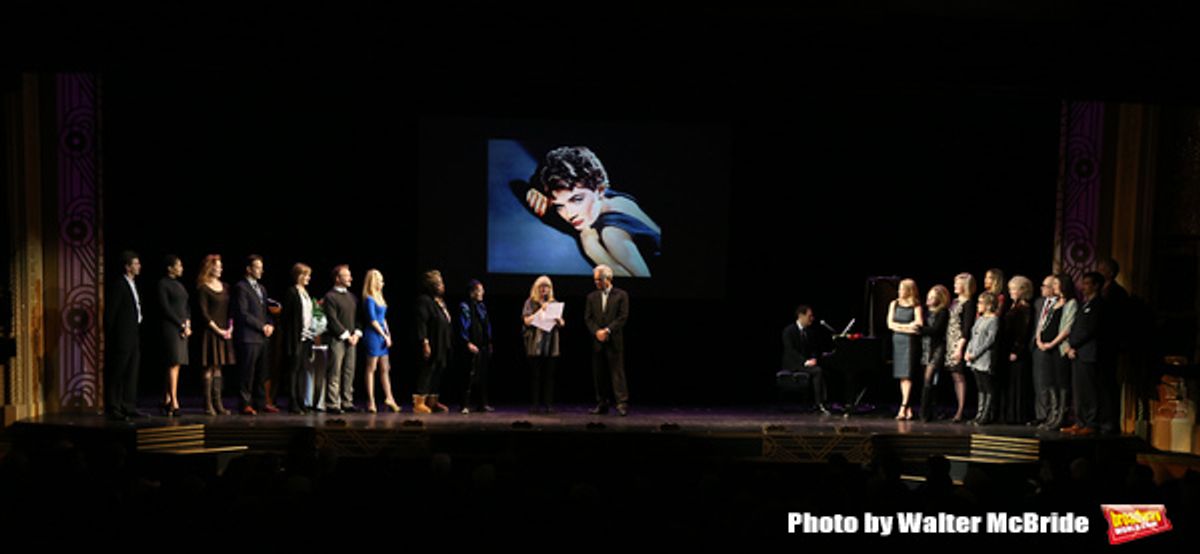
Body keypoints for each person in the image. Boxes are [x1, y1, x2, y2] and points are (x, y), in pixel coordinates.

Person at [519, 146, 661, 277]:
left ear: (600, 190)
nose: (569, 214)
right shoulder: (612, 198)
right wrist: (536, 189)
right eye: (559, 206)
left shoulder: (611, 234)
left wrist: (592, 249)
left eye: (577, 199)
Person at [1062, 272, 1109, 436]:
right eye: (1083, 283)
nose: (1084, 287)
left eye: (1088, 283)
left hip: (1089, 353)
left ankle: (1091, 422)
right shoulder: (1084, 304)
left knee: (1089, 390)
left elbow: (1089, 330)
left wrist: (1073, 344)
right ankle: (1080, 421)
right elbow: (1076, 327)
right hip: (1078, 353)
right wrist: (1069, 346)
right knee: (1079, 390)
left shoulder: (1098, 305)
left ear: (1096, 286)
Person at [232, 255, 277, 415]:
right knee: (247, 373)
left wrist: (270, 324)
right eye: (257, 267)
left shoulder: (262, 288)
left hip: (262, 337)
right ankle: (245, 403)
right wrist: (261, 326)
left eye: (261, 267)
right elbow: (243, 313)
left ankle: (261, 402)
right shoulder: (241, 287)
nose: (260, 271)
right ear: (249, 269)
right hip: (249, 337)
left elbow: (266, 311)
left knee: (261, 372)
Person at [104, 250, 146, 420]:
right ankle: (114, 407)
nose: (139, 266)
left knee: (132, 372)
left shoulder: (132, 284)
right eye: (136, 263)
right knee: (118, 372)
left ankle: (128, 406)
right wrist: (112, 336)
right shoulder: (119, 285)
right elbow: (110, 313)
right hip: (121, 337)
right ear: (128, 267)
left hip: (133, 334)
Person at [585, 264, 630, 416]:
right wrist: (597, 331)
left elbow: (622, 317)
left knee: (617, 373)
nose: (596, 282)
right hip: (597, 341)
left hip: (614, 340)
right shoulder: (591, 297)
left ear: (608, 279)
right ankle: (602, 403)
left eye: (599, 280)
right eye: (595, 280)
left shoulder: (621, 295)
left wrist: (607, 330)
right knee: (599, 374)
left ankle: (621, 403)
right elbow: (588, 318)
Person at [1035, 273, 1077, 430]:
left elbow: (1067, 328)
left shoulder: (1071, 303)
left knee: (1062, 382)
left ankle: (1061, 416)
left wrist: (1052, 343)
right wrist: (1039, 340)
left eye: (1056, 284)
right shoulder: (1055, 303)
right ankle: (1053, 415)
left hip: (1059, 348)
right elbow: (1044, 323)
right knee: (1051, 382)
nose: (1053, 287)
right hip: (1047, 348)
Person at [196, 254, 234, 415]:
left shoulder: (225, 286)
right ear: (209, 268)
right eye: (217, 266)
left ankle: (218, 403)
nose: (220, 269)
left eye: (221, 266)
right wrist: (218, 330)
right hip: (210, 332)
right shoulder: (203, 288)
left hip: (225, 331)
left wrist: (230, 328)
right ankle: (208, 404)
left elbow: (231, 310)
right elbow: (204, 314)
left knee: (219, 367)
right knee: (209, 367)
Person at [523, 275, 565, 414]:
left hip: (551, 343)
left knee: (549, 376)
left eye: (546, 287)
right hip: (535, 342)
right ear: (536, 288)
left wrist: (559, 320)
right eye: (541, 287)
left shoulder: (554, 303)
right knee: (535, 375)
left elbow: (562, 323)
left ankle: (548, 404)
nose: (544, 289)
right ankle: (535, 404)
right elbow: (526, 321)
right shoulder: (530, 302)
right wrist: (541, 310)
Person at [323, 265, 362, 414]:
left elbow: (358, 318)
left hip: (352, 340)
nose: (350, 278)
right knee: (335, 371)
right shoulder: (330, 297)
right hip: (337, 339)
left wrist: (356, 334)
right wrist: (346, 335)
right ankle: (333, 403)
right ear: (337, 278)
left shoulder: (352, 297)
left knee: (349, 371)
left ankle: (347, 402)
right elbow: (332, 320)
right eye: (346, 276)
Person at [780, 304, 831, 415]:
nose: (812, 318)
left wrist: (813, 358)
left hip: (805, 363)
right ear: (801, 316)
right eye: (809, 316)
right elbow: (790, 351)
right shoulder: (789, 331)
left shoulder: (809, 332)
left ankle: (823, 401)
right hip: (793, 363)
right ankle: (819, 403)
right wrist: (804, 361)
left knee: (823, 368)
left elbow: (813, 349)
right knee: (817, 371)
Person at [156, 255, 190, 417]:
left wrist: (188, 323)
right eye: (179, 265)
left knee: (177, 364)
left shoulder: (180, 285)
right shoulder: (163, 284)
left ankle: (167, 399)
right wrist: (181, 324)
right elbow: (165, 308)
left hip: (182, 328)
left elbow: (186, 306)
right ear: (170, 268)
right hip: (171, 328)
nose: (181, 268)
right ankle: (174, 402)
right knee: (173, 363)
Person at [414, 269, 452, 414]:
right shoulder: (424, 301)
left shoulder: (439, 302)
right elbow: (422, 322)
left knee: (438, 370)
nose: (442, 286)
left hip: (442, 343)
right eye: (439, 284)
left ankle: (432, 401)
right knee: (427, 371)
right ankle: (419, 402)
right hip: (432, 341)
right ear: (432, 286)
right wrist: (425, 342)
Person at [362, 269, 400, 413]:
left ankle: (390, 397)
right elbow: (373, 320)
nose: (382, 283)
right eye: (380, 280)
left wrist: (388, 334)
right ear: (374, 282)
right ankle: (371, 401)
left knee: (385, 368)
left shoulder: (380, 298)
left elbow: (383, 319)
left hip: (382, 335)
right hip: (373, 335)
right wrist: (383, 335)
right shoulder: (369, 299)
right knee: (371, 368)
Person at [280, 263, 316, 414]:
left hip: (306, 337)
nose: (308, 278)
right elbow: (285, 317)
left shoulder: (305, 293)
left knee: (302, 370)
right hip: (295, 338)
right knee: (293, 370)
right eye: (306, 275)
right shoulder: (292, 292)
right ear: (299, 276)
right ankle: (293, 401)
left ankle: (301, 400)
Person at [456, 279, 494, 414]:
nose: (482, 292)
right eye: (479, 290)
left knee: (482, 375)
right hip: (471, 344)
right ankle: (464, 405)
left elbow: (486, 325)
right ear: (472, 292)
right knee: (468, 376)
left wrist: (489, 342)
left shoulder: (482, 306)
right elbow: (463, 326)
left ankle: (482, 404)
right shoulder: (465, 306)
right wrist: (467, 343)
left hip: (482, 345)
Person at [944, 273, 977, 423]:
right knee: (954, 376)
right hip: (950, 342)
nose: (955, 286)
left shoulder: (968, 304)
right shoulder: (955, 301)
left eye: (957, 283)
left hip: (959, 343)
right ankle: (957, 407)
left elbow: (966, 328)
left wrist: (959, 348)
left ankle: (960, 410)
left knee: (959, 376)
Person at [888, 279, 924, 420]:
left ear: (909, 290)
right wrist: (907, 326)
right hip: (898, 341)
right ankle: (908, 407)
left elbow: (918, 325)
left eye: (902, 289)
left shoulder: (916, 305)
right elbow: (890, 324)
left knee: (907, 375)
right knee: (902, 376)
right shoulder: (894, 304)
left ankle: (903, 407)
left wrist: (900, 327)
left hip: (910, 343)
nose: (899, 291)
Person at [1001, 276, 1034, 424]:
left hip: (1017, 352)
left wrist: (1016, 350)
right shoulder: (1013, 306)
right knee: (1010, 383)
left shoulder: (1025, 308)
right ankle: (1010, 415)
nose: (1011, 292)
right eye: (1010, 289)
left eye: (1014, 289)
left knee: (1018, 383)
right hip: (1008, 349)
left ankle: (1018, 416)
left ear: (1023, 290)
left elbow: (1024, 332)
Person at [965, 292, 1000, 425]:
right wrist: (968, 351)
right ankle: (979, 414)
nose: (978, 305)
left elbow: (989, 341)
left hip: (984, 357)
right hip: (973, 357)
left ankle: (986, 414)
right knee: (980, 386)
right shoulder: (980, 319)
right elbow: (973, 336)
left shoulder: (993, 320)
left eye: (980, 303)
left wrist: (975, 354)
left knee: (987, 386)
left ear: (989, 305)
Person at [917, 285, 950, 422]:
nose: (929, 299)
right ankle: (930, 410)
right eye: (928, 296)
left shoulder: (943, 312)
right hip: (925, 347)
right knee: (928, 380)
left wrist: (919, 329)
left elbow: (936, 330)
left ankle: (924, 412)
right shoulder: (925, 312)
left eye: (932, 297)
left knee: (928, 378)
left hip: (936, 348)